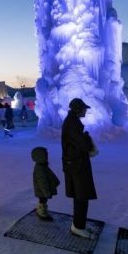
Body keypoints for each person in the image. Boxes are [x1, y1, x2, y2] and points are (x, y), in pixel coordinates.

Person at [61, 97, 98, 239]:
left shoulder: (72, 122)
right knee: (81, 196)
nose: (85, 111)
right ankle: (78, 227)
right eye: (84, 108)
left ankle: (78, 224)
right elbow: (83, 144)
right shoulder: (73, 124)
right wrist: (88, 140)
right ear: (78, 109)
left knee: (80, 195)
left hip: (75, 164)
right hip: (77, 166)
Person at [31, 146, 60, 221]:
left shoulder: (43, 166)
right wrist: (46, 192)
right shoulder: (40, 168)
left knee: (43, 200)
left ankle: (40, 209)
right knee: (43, 200)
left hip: (43, 189)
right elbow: (42, 182)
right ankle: (42, 213)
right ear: (39, 157)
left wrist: (56, 181)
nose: (47, 157)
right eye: (45, 155)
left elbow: (50, 174)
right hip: (42, 190)